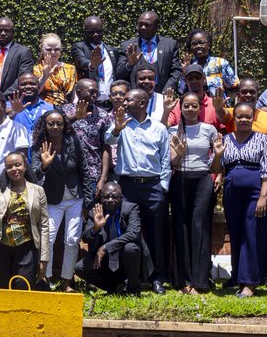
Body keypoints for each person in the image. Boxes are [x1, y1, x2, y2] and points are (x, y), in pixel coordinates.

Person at [107, 88, 171, 293]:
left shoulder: (159, 128)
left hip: (152, 186)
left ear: (142, 103)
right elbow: (109, 139)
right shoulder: (121, 123)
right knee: (128, 233)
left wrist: (162, 186)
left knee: (156, 234)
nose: (123, 103)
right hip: (127, 186)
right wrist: (117, 128)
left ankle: (157, 278)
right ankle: (130, 277)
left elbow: (165, 160)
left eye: (128, 100)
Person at [214, 103, 267, 298]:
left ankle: (250, 283)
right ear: (234, 119)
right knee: (236, 233)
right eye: (239, 116)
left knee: (252, 233)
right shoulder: (225, 139)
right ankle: (238, 277)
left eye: (248, 117)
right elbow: (216, 169)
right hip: (232, 192)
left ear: (253, 119)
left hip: (255, 193)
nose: (243, 120)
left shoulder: (262, 140)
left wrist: (263, 198)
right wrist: (218, 154)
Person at [168, 92, 219, 294]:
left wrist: (219, 155)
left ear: (200, 108)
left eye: (194, 106)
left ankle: (200, 280)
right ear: (181, 108)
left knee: (199, 226)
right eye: (186, 106)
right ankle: (183, 280)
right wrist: (179, 155)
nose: (190, 109)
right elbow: (172, 163)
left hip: (203, 180)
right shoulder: (173, 131)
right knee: (180, 228)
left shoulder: (209, 129)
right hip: (180, 179)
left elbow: (216, 166)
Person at [30, 109, 85, 290]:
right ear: (44, 125)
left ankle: (67, 280)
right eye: (51, 123)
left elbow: (84, 171)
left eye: (59, 123)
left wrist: (89, 201)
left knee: (71, 239)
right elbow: (35, 175)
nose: (55, 127)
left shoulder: (73, 142)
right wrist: (45, 166)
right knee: (49, 239)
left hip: (75, 199)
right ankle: (46, 279)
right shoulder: (39, 146)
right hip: (52, 199)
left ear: (64, 125)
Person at [0, 152, 50, 289]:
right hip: (1, 245)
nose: (14, 169)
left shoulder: (38, 191)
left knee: (22, 285)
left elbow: (43, 225)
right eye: (9, 167)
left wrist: (44, 258)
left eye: (18, 165)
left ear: (25, 166)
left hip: (27, 246)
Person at [76, 182, 152, 294]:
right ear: (101, 198)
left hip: (128, 260)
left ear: (121, 198)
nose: (110, 199)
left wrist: (106, 247)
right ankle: (116, 288)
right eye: (106, 197)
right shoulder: (95, 212)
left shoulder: (131, 208)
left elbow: (133, 234)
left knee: (130, 248)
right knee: (80, 268)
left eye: (114, 197)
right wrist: (96, 228)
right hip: (106, 261)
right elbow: (85, 238)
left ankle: (133, 288)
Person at [64, 78, 112, 210]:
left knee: (90, 213)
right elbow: (56, 132)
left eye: (96, 92)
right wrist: (75, 117)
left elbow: (106, 147)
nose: (95, 95)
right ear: (79, 92)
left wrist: (103, 178)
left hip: (92, 174)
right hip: (68, 173)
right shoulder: (65, 111)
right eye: (91, 92)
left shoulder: (103, 115)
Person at [114, 9, 182, 93]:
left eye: (147, 25)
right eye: (140, 24)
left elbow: (176, 71)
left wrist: (165, 92)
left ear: (157, 27)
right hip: (136, 98)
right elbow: (119, 74)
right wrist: (129, 65)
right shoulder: (127, 46)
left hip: (162, 96)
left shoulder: (170, 45)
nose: (143, 27)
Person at [70, 16, 118, 108]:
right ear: (85, 32)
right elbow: (80, 60)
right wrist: (91, 65)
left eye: (98, 31)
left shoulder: (112, 51)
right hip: (89, 104)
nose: (95, 34)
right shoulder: (79, 47)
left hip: (110, 104)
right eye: (91, 32)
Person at [183, 29, 237, 99]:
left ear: (209, 45)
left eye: (202, 43)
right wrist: (184, 73)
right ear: (190, 47)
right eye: (194, 43)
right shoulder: (187, 65)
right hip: (195, 107)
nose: (198, 46)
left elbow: (235, 86)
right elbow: (180, 91)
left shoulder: (220, 63)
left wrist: (225, 102)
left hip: (217, 108)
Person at [166, 64, 222, 129]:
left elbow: (223, 131)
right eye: (190, 78)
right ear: (186, 81)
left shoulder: (215, 104)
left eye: (197, 77)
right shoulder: (177, 105)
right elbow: (165, 129)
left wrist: (220, 109)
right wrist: (166, 111)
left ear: (204, 79)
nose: (194, 81)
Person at [32, 33, 77, 107]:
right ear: (42, 50)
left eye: (56, 49)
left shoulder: (71, 69)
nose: (53, 52)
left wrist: (74, 109)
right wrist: (45, 76)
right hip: (43, 108)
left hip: (66, 109)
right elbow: (34, 93)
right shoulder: (36, 69)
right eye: (49, 49)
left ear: (61, 50)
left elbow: (74, 95)